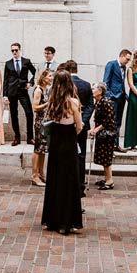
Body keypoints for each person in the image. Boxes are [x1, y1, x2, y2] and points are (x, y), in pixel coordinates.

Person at [41, 70, 84, 235]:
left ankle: (52, 220)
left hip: (55, 142)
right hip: (68, 141)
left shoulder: (52, 101)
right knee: (69, 180)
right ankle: (66, 222)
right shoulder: (73, 102)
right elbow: (79, 126)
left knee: (55, 179)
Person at [66, 60, 94, 194]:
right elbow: (90, 105)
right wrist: (82, 121)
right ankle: (80, 184)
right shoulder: (86, 84)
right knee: (81, 154)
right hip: (82, 125)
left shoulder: (65, 85)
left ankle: (69, 183)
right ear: (77, 69)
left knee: (67, 154)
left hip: (67, 124)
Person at [3, 42, 36, 146]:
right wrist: (5, 95)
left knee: (29, 113)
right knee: (14, 114)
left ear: (19, 50)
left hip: (23, 91)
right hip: (11, 92)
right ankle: (17, 138)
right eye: (12, 50)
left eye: (16, 50)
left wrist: (30, 83)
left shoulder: (26, 61)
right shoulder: (8, 63)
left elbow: (35, 72)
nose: (14, 52)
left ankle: (30, 138)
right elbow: (5, 80)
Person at [102, 49, 132, 152]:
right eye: (127, 59)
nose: (128, 61)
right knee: (111, 122)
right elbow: (105, 82)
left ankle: (116, 144)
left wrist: (125, 95)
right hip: (113, 98)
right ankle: (110, 145)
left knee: (118, 122)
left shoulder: (124, 67)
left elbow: (121, 82)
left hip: (121, 98)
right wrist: (109, 96)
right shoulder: (111, 64)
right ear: (122, 56)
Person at [89, 83, 117, 190]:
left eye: (94, 89)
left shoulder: (106, 102)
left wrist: (96, 129)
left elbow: (108, 120)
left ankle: (110, 181)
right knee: (103, 157)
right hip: (102, 134)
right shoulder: (98, 102)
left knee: (106, 157)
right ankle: (107, 178)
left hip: (107, 134)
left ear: (100, 91)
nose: (92, 90)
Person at [31, 69, 53, 187]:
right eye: (50, 76)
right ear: (43, 78)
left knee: (43, 149)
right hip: (40, 123)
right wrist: (47, 104)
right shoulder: (38, 90)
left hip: (46, 122)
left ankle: (41, 173)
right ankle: (34, 175)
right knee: (38, 149)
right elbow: (35, 107)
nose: (51, 78)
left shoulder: (47, 89)